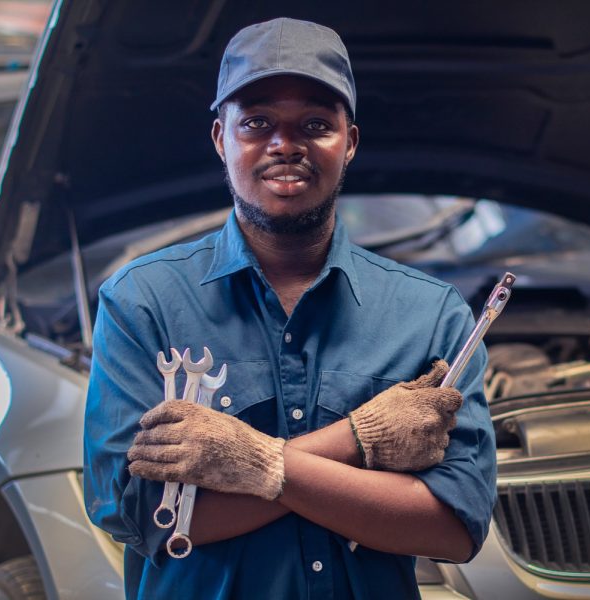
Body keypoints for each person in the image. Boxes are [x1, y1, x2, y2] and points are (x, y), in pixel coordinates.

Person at [83, 17, 496, 599]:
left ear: (348, 141)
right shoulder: (142, 302)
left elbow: (455, 526)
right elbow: (140, 514)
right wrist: (357, 441)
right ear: (220, 138)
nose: (285, 143)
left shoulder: (433, 315)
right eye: (256, 123)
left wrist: (249, 466)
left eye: (315, 124)